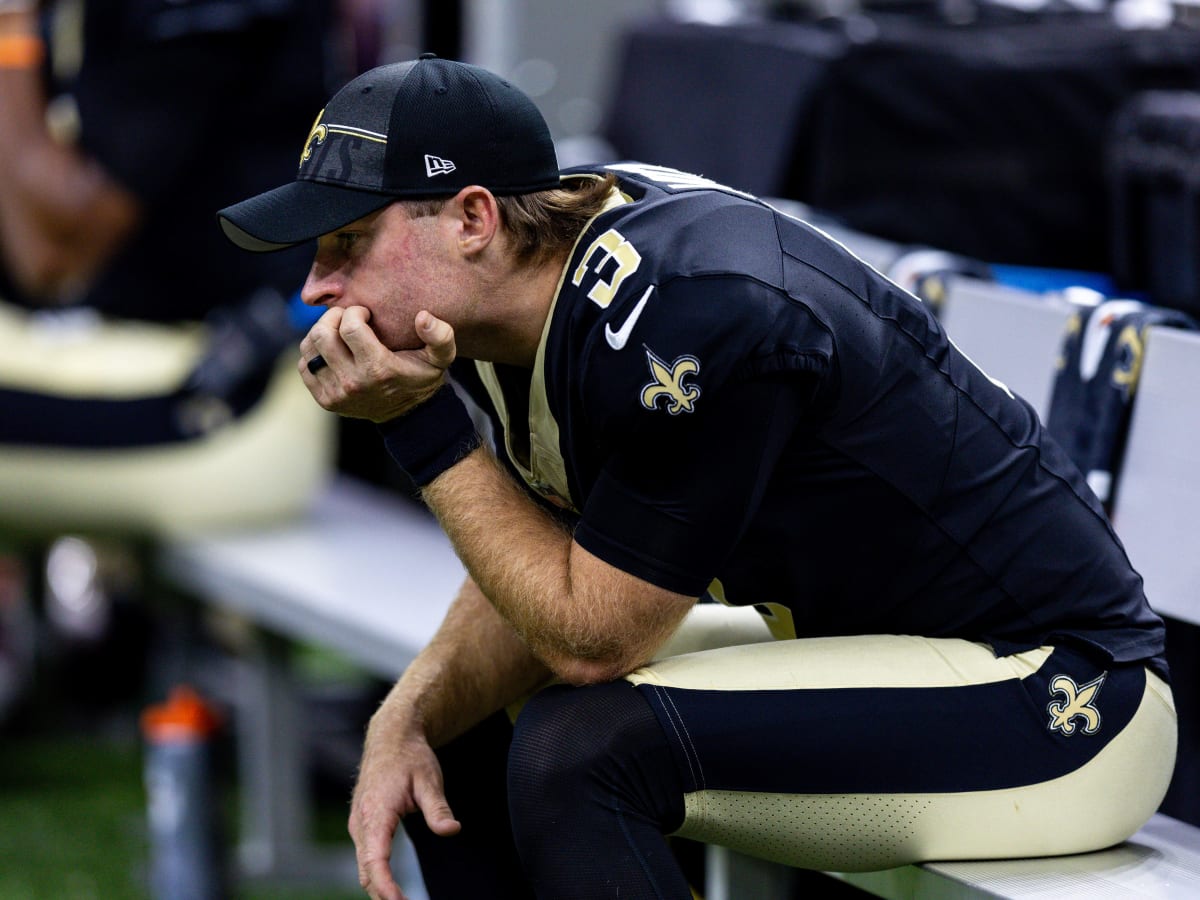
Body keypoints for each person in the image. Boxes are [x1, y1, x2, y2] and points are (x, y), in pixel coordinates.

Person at [217, 56, 1178, 900]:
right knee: (454, 732)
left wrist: (420, 431)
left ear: (472, 218)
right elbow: (546, 563)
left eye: (347, 243)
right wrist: (408, 713)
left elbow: (593, 639)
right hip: (887, 646)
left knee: (578, 750)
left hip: (1059, 694)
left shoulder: (687, 311)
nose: (315, 288)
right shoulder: (516, 288)